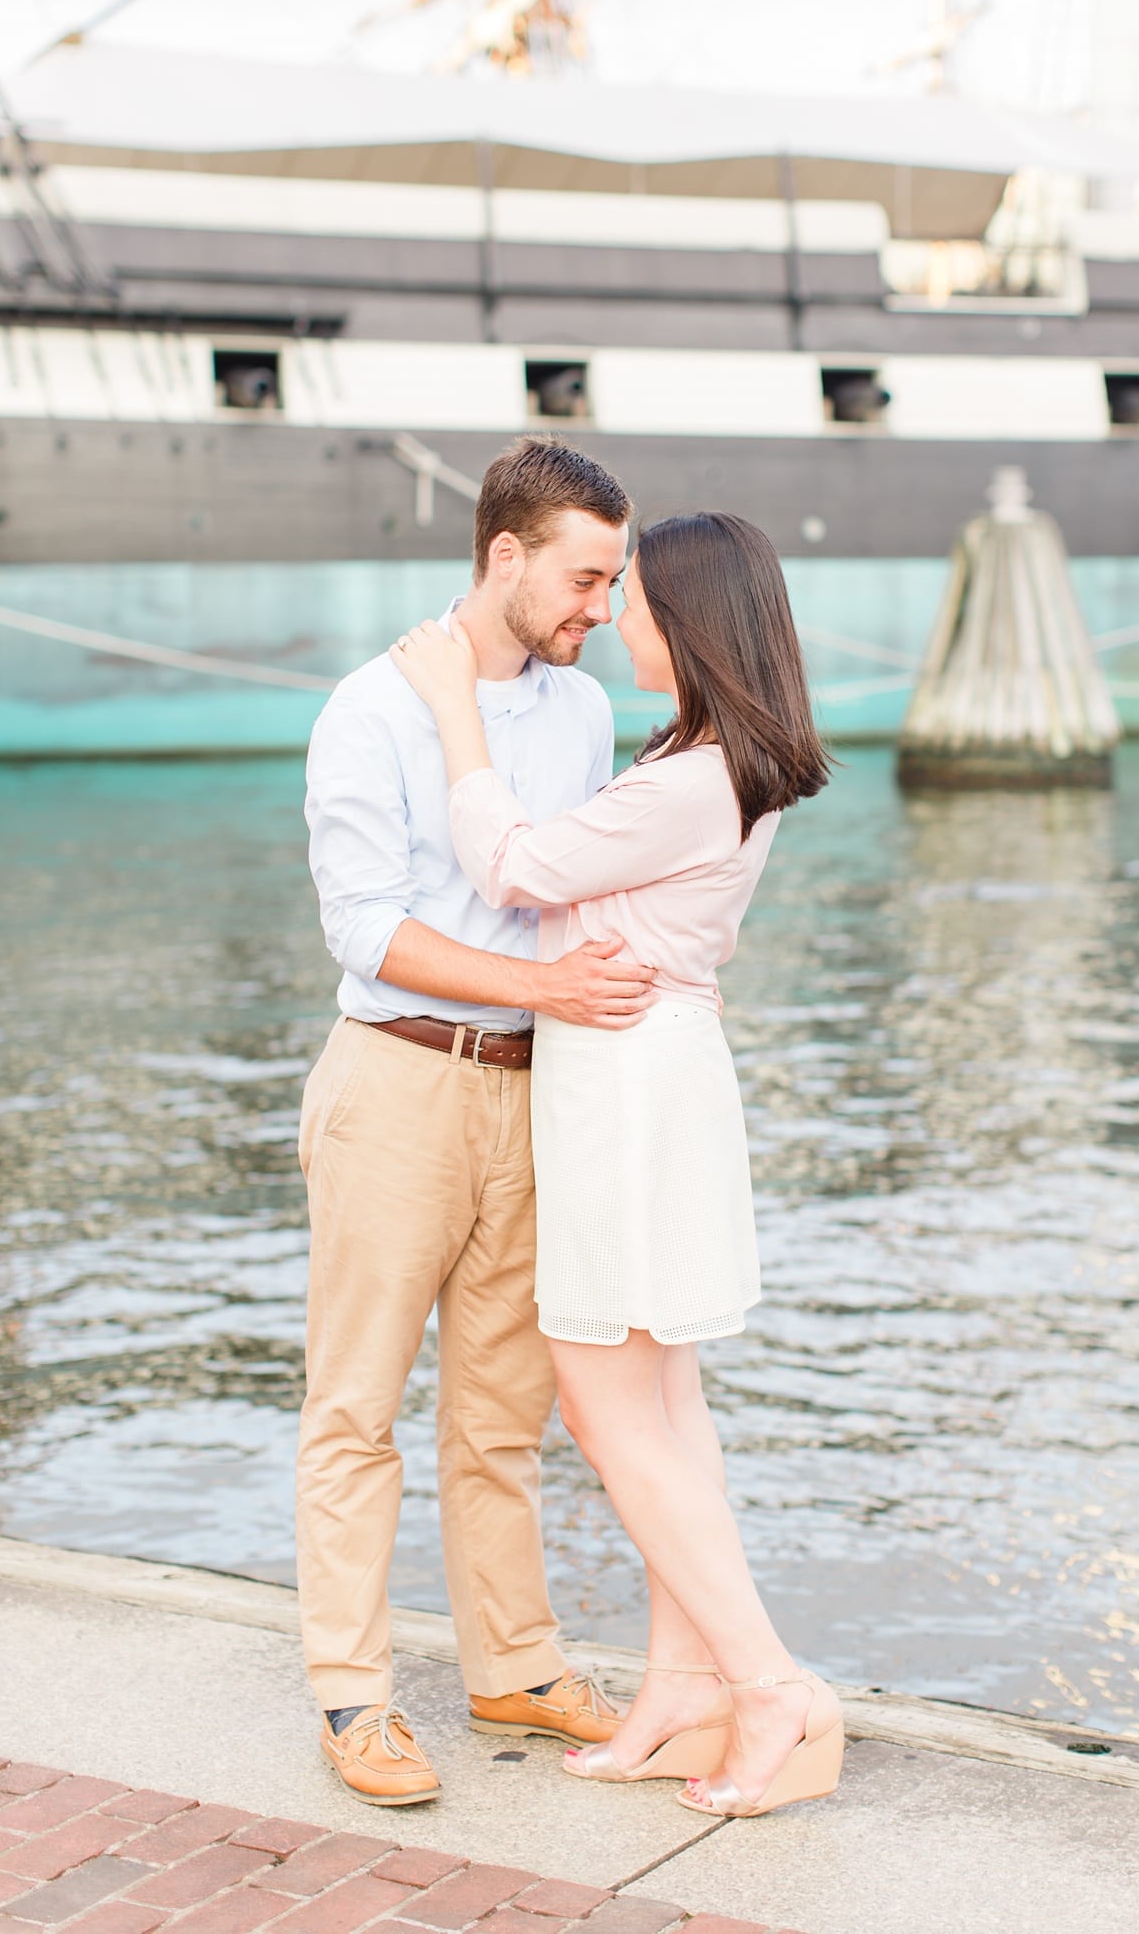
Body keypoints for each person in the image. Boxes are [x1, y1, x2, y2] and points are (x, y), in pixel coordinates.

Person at [389, 510, 845, 1820]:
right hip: (657, 1076)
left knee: (602, 1403)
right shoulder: (713, 762)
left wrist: (454, 710)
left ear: (688, 621)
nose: (612, 613)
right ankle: (682, 1683)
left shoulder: (689, 777)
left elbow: (516, 865)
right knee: (664, 1405)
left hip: (630, 1095)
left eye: (632, 594)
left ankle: (766, 1685)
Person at [297, 435, 646, 1806]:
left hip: (532, 1087)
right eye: (583, 577)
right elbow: (367, 927)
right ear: (504, 556)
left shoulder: (578, 710)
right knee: (358, 1403)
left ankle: (514, 1659)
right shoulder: (366, 708)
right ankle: (352, 1692)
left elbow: (562, 879)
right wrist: (544, 982)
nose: (602, 608)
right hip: (397, 1079)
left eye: (614, 582)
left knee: (505, 1410)